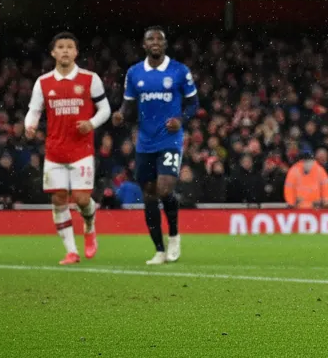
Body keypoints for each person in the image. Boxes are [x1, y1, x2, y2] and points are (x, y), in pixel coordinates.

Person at [112, 26, 198, 265]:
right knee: (149, 195)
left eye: (160, 38)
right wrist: (120, 115)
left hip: (170, 140)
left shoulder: (179, 71)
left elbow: (193, 104)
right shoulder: (134, 73)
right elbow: (128, 105)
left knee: (165, 188)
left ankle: (174, 235)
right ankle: (159, 250)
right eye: (151, 38)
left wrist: (180, 120)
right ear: (144, 44)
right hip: (145, 142)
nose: (156, 41)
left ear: (165, 44)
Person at [24, 32, 111, 264]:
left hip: (81, 150)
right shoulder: (43, 82)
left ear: (76, 52)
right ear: (53, 52)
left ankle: (90, 226)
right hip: (55, 151)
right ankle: (71, 251)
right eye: (60, 47)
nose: (65, 50)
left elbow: (105, 109)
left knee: (82, 199)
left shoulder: (89, 79)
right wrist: (29, 125)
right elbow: (34, 110)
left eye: (69, 47)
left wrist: (90, 123)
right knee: (59, 200)